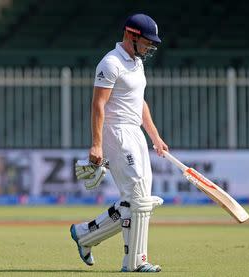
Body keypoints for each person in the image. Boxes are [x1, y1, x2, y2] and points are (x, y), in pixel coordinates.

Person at [70, 13, 168, 272]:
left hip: (135, 133)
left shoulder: (137, 63)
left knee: (137, 199)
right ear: (131, 35)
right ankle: (135, 262)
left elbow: (139, 102)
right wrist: (96, 144)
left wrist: (155, 136)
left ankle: (84, 234)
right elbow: (98, 104)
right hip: (116, 132)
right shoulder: (110, 63)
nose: (149, 47)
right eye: (146, 42)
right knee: (138, 196)